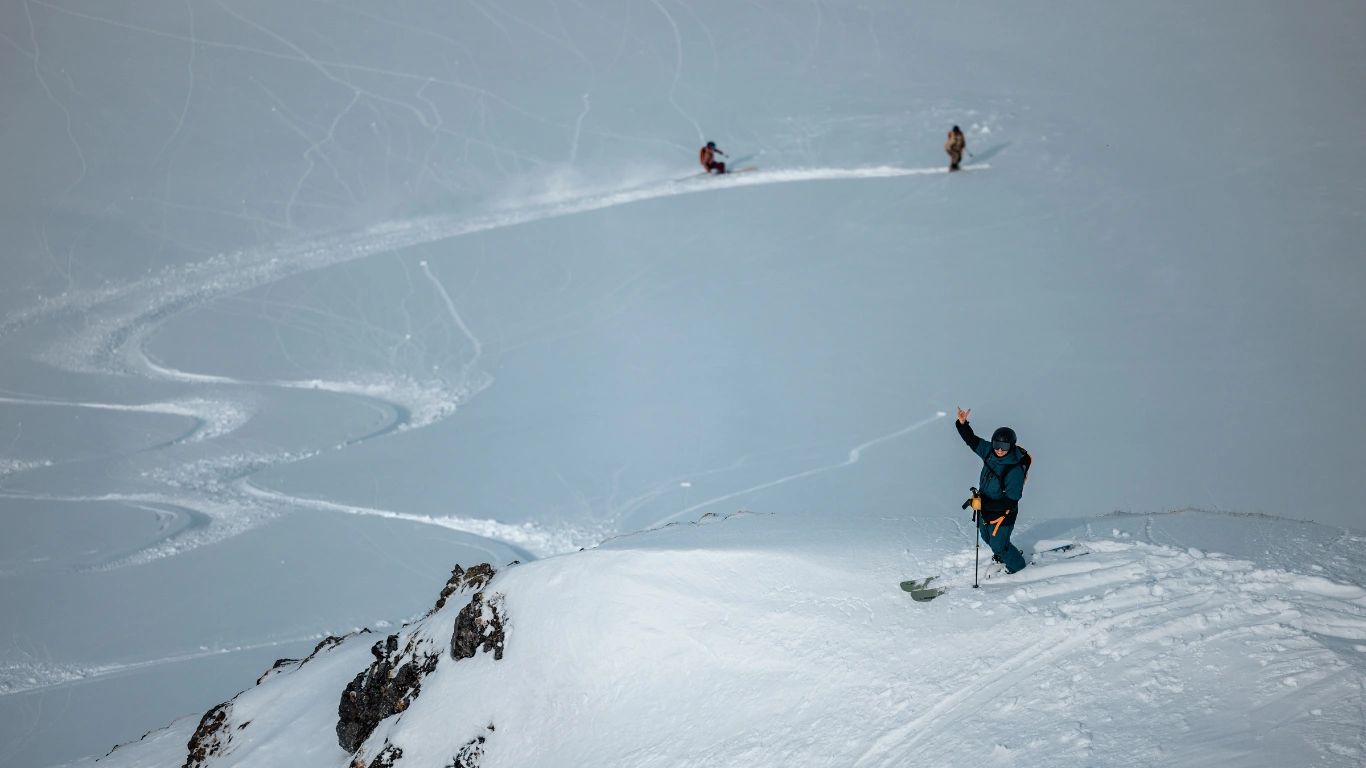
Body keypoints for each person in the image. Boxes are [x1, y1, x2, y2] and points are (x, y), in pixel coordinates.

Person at [955, 407, 1028, 573]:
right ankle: (1002, 554)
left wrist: (982, 504)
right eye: (997, 444)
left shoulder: (1014, 470)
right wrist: (962, 423)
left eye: (1004, 446)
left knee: (999, 544)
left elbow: (1011, 500)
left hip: (1003, 512)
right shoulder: (989, 452)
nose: (1000, 449)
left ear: (1011, 446)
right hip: (985, 507)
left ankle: (1019, 569)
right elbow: (972, 441)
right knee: (986, 537)